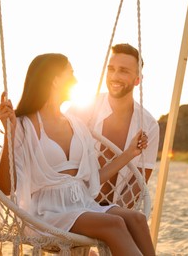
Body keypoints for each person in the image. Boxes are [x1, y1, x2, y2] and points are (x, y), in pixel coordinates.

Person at [0, 53, 155, 256]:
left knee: (137, 219)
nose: (76, 80)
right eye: (70, 74)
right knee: (114, 223)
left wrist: (130, 153)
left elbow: (93, 179)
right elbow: (5, 187)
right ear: (54, 80)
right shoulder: (24, 125)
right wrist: (9, 134)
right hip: (47, 212)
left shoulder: (76, 125)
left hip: (82, 203)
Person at [68, 43, 160, 206]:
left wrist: (120, 213)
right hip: (73, 204)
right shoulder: (81, 111)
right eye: (111, 69)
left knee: (137, 222)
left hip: (113, 209)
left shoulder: (149, 125)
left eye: (124, 71)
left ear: (137, 79)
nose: (115, 76)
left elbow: (139, 181)